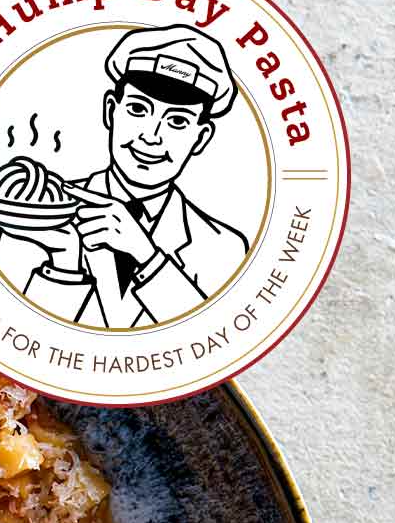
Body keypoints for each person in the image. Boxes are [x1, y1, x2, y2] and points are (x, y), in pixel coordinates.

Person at [15, 25, 249, 328]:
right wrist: (63, 267)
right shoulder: (35, 214)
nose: (151, 137)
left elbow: (208, 341)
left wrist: (147, 255)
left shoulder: (223, 249)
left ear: (201, 137)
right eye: (138, 109)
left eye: (177, 121)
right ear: (111, 111)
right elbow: (7, 338)